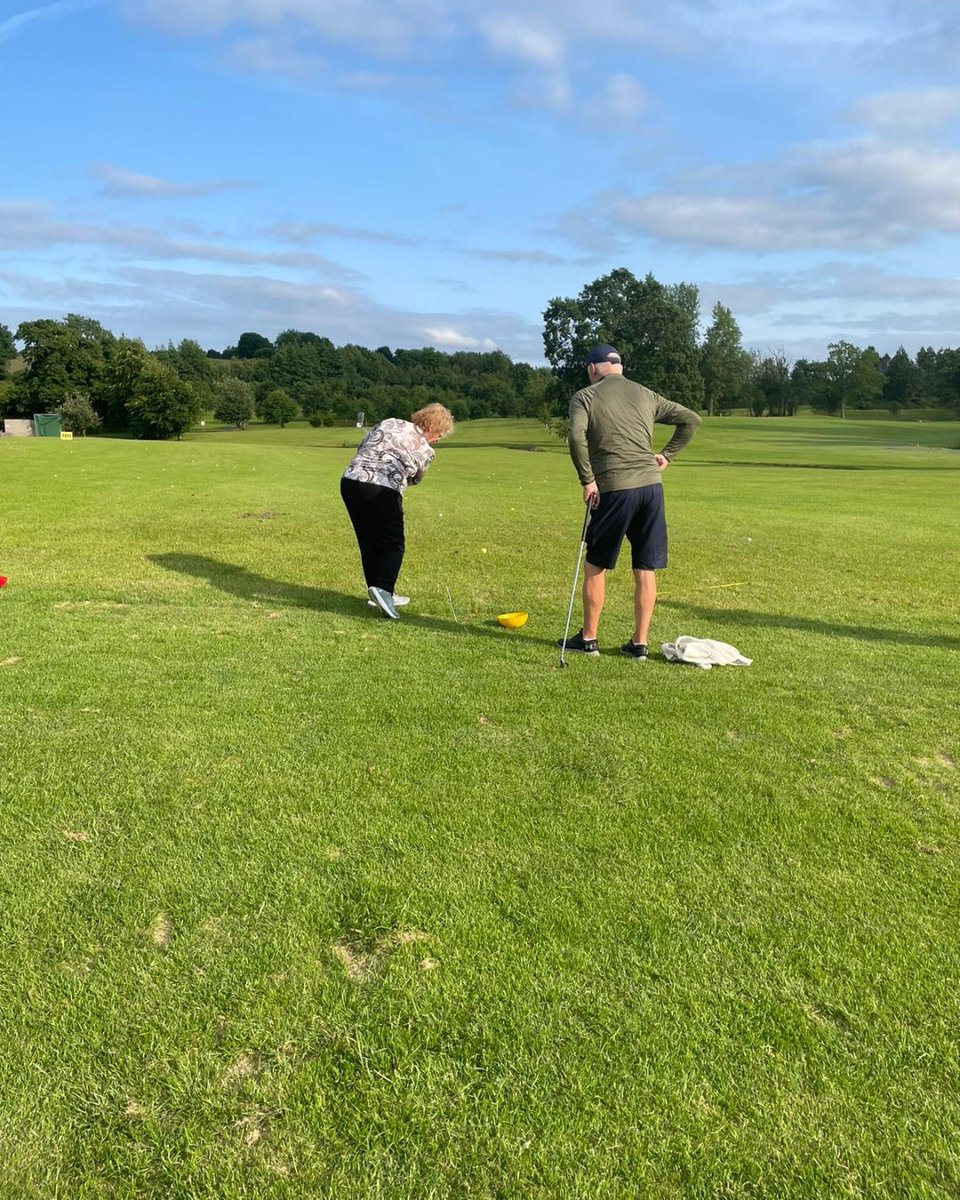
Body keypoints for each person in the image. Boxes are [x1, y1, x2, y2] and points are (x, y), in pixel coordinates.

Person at [558, 345, 701, 660]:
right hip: (651, 489)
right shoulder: (646, 394)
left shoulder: (584, 397)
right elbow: (691, 420)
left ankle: (589, 638)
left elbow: (576, 437)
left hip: (614, 488)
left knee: (597, 563)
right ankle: (639, 643)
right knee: (645, 566)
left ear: (593, 368)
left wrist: (587, 480)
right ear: (619, 367)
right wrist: (667, 455)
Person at [341, 403, 454, 619]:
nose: (438, 439)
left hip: (350, 481)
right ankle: (384, 591)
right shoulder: (426, 449)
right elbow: (416, 478)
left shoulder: (390, 422)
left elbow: (364, 446)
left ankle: (377, 591)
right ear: (432, 427)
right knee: (393, 544)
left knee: (368, 540)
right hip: (382, 488)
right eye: (440, 434)